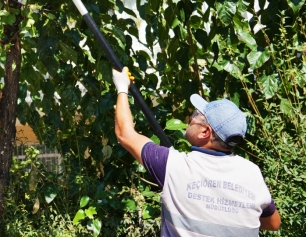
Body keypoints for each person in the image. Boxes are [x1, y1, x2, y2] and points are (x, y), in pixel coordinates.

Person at [112, 67, 281, 236]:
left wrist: (121, 87)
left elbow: (125, 134)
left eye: (196, 115)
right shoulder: (251, 173)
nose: (191, 118)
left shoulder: (173, 167)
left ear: (205, 132)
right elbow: (273, 223)